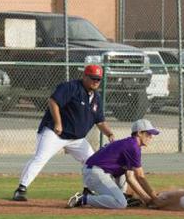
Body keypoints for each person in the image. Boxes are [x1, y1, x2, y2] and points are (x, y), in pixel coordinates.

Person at [13, 64, 114, 201]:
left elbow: (100, 121)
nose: (96, 81)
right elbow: (53, 101)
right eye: (93, 78)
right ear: (84, 76)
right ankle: (21, 189)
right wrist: (58, 122)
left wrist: (110, 134)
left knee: (92, 161)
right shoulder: (71, 87)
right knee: (41, 158)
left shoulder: (96, 97)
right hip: (55, 134)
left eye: (98, 79)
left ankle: (87, 190)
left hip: (76, 139)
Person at [67, 119, 160, 209]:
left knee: (123, 174)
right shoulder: (133, 147)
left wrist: (147, 199)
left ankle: (122, 196)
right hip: (94, 172)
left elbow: (130, 178)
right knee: (120, 203)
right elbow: (140, 176)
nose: (151, 137)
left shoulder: (131, 144)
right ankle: (84, 198)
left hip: (97, 171)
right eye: (148, 133)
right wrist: (155, 198)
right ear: (139, 133)